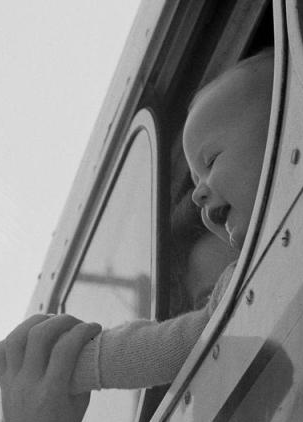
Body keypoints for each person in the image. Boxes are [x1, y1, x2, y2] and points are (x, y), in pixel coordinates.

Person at [70, 49, 273, 392]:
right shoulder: (246, 272)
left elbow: (174, 346)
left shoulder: (249, 274)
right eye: (195, 181)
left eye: (211, 160)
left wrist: (94, 360)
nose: (197, 195)